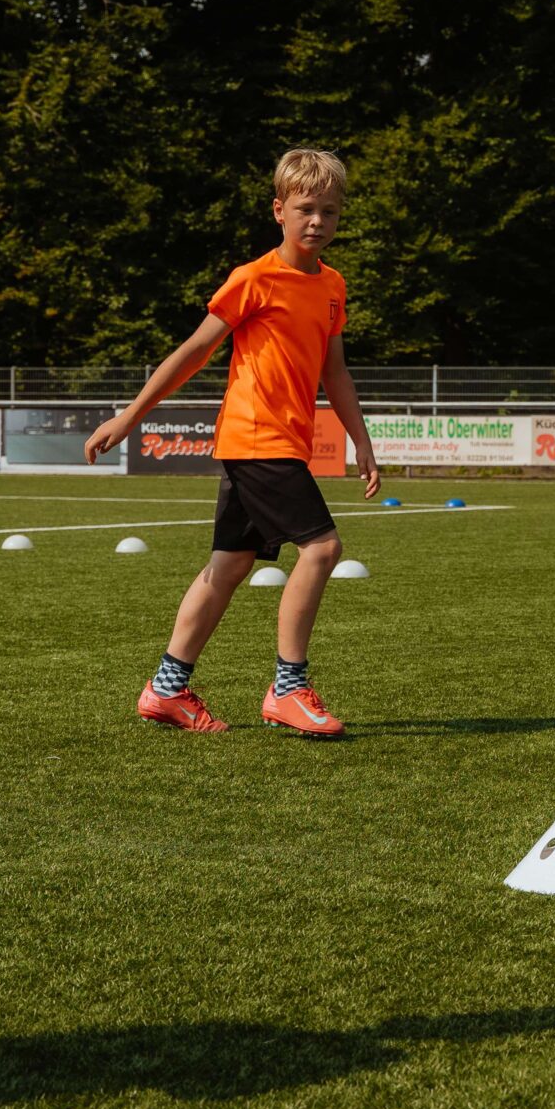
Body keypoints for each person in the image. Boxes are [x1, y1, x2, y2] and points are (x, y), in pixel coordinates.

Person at [84, 148, 381, 738]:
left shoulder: (333, 286)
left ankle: (166, 690)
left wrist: (361, 442)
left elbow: (335, 371)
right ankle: (288, 689)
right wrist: (131, 415)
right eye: (305, 209)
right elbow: (196, 350)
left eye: (329, 211)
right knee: (322, 549)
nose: (317, 221)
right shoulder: (253, 278)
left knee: (229, 565)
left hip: (279, 442)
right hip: (255, 436)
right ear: (278, 210)